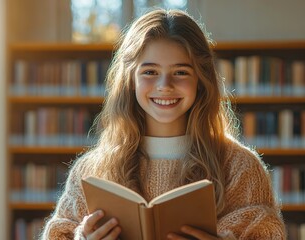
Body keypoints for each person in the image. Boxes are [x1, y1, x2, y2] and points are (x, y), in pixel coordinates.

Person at [40, 8, 286, 240]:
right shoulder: (91, 171)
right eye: (150, 72)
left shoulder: (240, 167)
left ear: (201, 80)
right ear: (130, 81)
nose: (164, 86)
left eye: (180, 72)